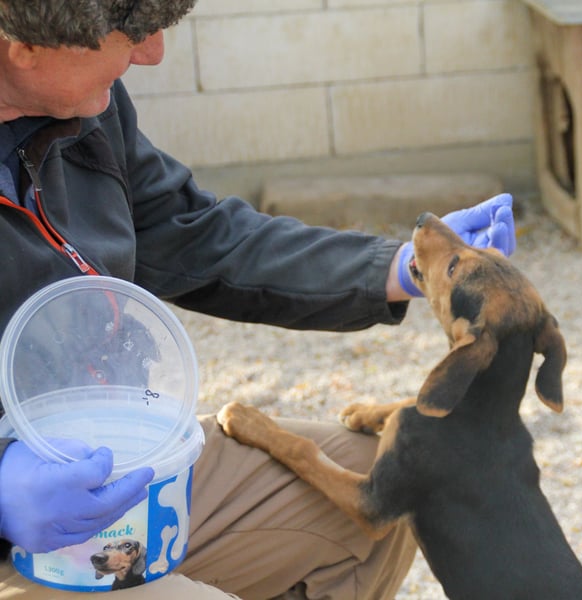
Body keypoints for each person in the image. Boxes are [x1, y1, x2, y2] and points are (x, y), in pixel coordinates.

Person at [0, 2, 517, 599]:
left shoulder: (84, 108)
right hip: (25, 537)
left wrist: (403, 268)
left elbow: (190, 232)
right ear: (26, 44)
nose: (154, 53)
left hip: (129, 468)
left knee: (387, 484)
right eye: (132, 34)